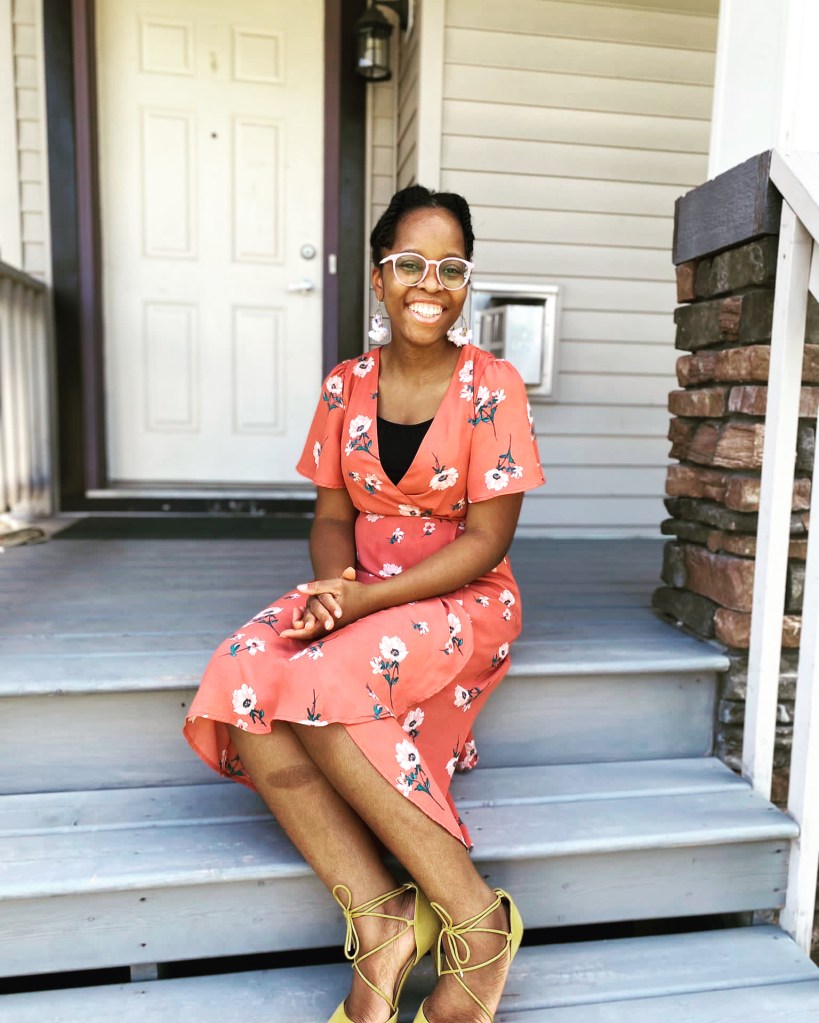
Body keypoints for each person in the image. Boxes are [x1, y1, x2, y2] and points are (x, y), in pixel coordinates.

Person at [183, 184, 545, 1023]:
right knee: (242, 674)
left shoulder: (493, 385)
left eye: (451, 267)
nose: (431, 283)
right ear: (379, 278)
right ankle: (382, 921)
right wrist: (332, 591)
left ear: (465, 283)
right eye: (410, 263)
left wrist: (362, 603)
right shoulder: (345, 384)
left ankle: (478, 925)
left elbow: (486, 540)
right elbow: (330, 517)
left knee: (318, 685)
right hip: (359, 587)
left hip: (458, 596)